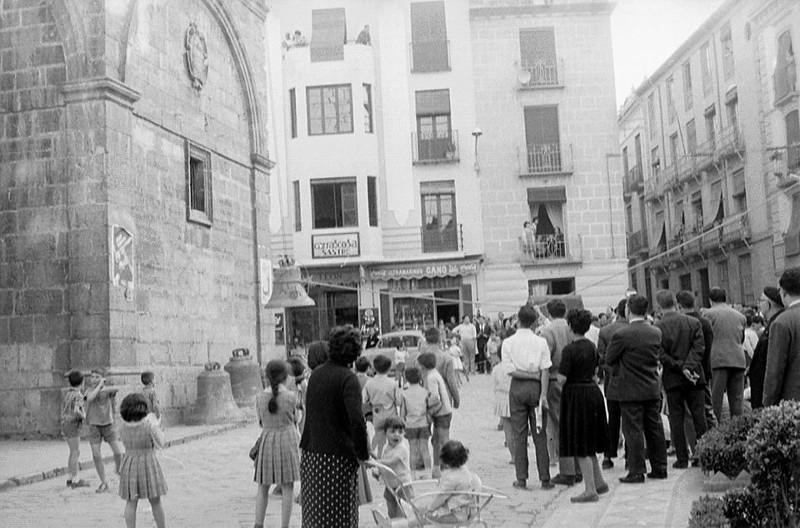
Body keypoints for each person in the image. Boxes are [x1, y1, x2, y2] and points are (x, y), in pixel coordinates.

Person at [300, 326, 369, 527]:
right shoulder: (349, 379)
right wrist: (362, 452)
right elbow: (356, 420)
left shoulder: (316, 375)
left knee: (315, 517)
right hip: (337, 460)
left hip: (312, 456)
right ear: (356, 352)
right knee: (341, 518)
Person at [605, 294, 668, 484]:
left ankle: (637, 469)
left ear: (627, 310)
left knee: (633, 430)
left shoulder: (622, 334)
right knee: (654, 428)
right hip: (651, 385)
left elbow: (609, 359)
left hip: (629, 387)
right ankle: (660, 467)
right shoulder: (655, 332)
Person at [558, 309, 609, 503]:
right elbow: (596, 370)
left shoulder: (569, 350)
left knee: (581, 443)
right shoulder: (591, 346)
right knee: (590, 440)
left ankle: (589, 489)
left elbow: (562, 378)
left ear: (570, 326)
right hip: (592, 391)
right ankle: (598, 481)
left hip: (576, 395)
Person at [654, 290, 707, 469]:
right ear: (676, 304)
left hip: (673, 378)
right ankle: (701, 454)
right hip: (695, 377)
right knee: (699, 417)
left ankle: (682, 458)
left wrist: (679, 367)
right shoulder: (693, 322)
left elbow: (660, 354)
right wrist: (688, 367)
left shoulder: (658, 327)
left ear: (659, 307)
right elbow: (699, 348)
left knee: (676, 418)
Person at [503, 304, 553, 490]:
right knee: (540, 433)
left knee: (519, 434)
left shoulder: (508, 342)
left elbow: (509, 370)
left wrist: (528, 375)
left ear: (517, 319)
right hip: (537, 387)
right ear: (534, 322)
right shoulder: (540, 342)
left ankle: (521, 477)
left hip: (517, 387)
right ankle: (545, 477)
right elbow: (545, 369)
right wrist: (544, 394)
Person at [538, 299, 580, 487]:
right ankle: (579, 467)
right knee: (575, 424)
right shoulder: (571, 327)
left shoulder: (548, 332)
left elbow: (546, 362)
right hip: (575, 379)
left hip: (556, 379)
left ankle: (567, 470)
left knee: (559, 426)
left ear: (548, 312)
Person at [253, 360, 300, 528]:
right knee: (287, 487)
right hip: (287, 439)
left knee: (263, 486)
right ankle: (284, 525)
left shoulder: (259, 397)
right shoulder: (290, 397)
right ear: (285, 376)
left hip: (267, 439)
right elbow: (297, 419)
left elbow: (260, 422)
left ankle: (258, 524)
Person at [118, 393, 167, 528]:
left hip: (129, 463)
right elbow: (161, 442)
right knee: (155, 501)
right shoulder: (149, 425)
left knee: (131, 502)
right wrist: (157, 425)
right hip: (148, 462)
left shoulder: (122, 426)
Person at [704, 287, 747, 422]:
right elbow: (741, 338)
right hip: (738, 359)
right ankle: (738, 434)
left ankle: (717, 434)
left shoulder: (707, 314)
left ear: (710, 301)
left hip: (718, 360)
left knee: (715, 401)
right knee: (737, 402)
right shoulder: (740, 316)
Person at [676, 290, 717, 430]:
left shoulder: (679, 324)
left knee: (689, 415)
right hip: (702, 372)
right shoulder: (705, 322)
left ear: (679, 306)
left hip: (684, 374)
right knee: (706, 411)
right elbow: (707, 349)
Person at [417, 440, 482, 523]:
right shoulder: (464, 470)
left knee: (420, 516)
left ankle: (400, 524)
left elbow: (441, 497)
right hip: (467, 512)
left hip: (455, 515)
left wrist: (430, 508)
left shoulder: (451, 479)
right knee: (420, 508)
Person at [597, 299, 627, 469]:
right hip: (633, 382)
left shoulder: (605, 331)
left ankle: (609, 455)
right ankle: (630, 455)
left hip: (612, 382)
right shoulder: (637, 329)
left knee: (613, 419)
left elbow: (601, 359)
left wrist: (612, 371)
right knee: (631, 419)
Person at [764, 267, 800, 405]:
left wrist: (768, 405)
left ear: (784, 292)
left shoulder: (781, 322)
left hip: (792, 404)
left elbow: (774, 371)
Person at [85, 367, 123, 493]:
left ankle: (118, 469)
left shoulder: (107, 390)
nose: (94, 379)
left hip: (108, 424)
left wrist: (104, 387)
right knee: (96, 454)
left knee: (117, 452)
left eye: (97, 377)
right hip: (94, 425)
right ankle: (104, 481)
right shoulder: (88, 390)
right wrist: (100, 385)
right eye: (93, 377)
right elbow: (90, 398)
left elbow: (114, 395)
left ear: (103, 378)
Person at [749, 286, 784, 409]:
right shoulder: (772, 323)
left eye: (761, 300)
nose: (759, 304)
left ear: (769, 304)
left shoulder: (777, 324)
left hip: (766, 391)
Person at [418, 351, 452, 478]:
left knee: (444, 440)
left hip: (441, 413)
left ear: (422, 366)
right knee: (436, 440)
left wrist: (427, 409)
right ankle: (437, 469)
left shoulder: (431, 377)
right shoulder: (434, 374)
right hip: (443, 411)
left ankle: (451, 466)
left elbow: (435, 397)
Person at [400, 366, 436, 479]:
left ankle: (413, 474)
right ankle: (428, 473)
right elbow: (430, 407)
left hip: (410, 424)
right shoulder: (425, 392)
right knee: (425, 449)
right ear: (420, 377)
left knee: (413, 450)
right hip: (423, 423)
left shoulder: (404, 393)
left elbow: (402, 413)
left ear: (406, 378)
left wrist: (403, 423)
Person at [373, 416, 412, 520]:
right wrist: (378, 471)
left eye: (400, 432)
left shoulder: (402, 448)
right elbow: (384, 465)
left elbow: (392, 462)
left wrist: (377, 462)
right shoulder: (386, 447)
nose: (397, 435)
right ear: (385, 433)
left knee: (402, 512)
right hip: (390, 485)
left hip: (403, 485)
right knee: (391, 512)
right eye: (393, 431)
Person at [363, 354, 401, 458]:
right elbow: (398, 401)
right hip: (391, 414)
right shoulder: (392, 383)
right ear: (389, 368)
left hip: (377, 414)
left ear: (374, 367)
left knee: (380, 442)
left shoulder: (369, 383)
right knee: (394, 440)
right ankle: (393, 461)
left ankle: (379, 464)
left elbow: (365, 400)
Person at [61, 370, 90, 489]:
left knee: (72, 451)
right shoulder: (78, 395)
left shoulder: (68, 394)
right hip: (73, 424)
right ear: (82, 382)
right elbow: (77, 410)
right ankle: (75, 479)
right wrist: (85, 417)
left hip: (65, 423)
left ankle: (69, 476)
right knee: (75, 451)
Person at [492, 345, 515, 464]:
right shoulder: (514, 367)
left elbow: (494, 385)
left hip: (501, 398)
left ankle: (513, 456)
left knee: (507, 429)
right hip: (514, 397)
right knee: (518, 427)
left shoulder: (496, 368)